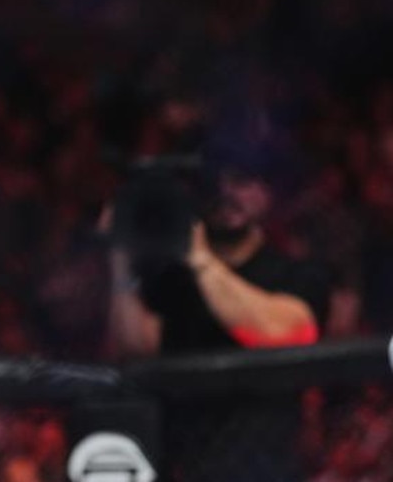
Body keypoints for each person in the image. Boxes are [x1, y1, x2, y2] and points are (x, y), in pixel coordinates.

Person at [106, 148, 331, 481]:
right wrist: (120, 255)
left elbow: (283, 334)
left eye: (240, 181)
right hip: (186, 464)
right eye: (214, 183)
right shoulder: (174, 278)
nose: (226, 194)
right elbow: (136, 347)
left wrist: (200, 259)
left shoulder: (296, 274)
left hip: (264, 468)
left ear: (265, 192)